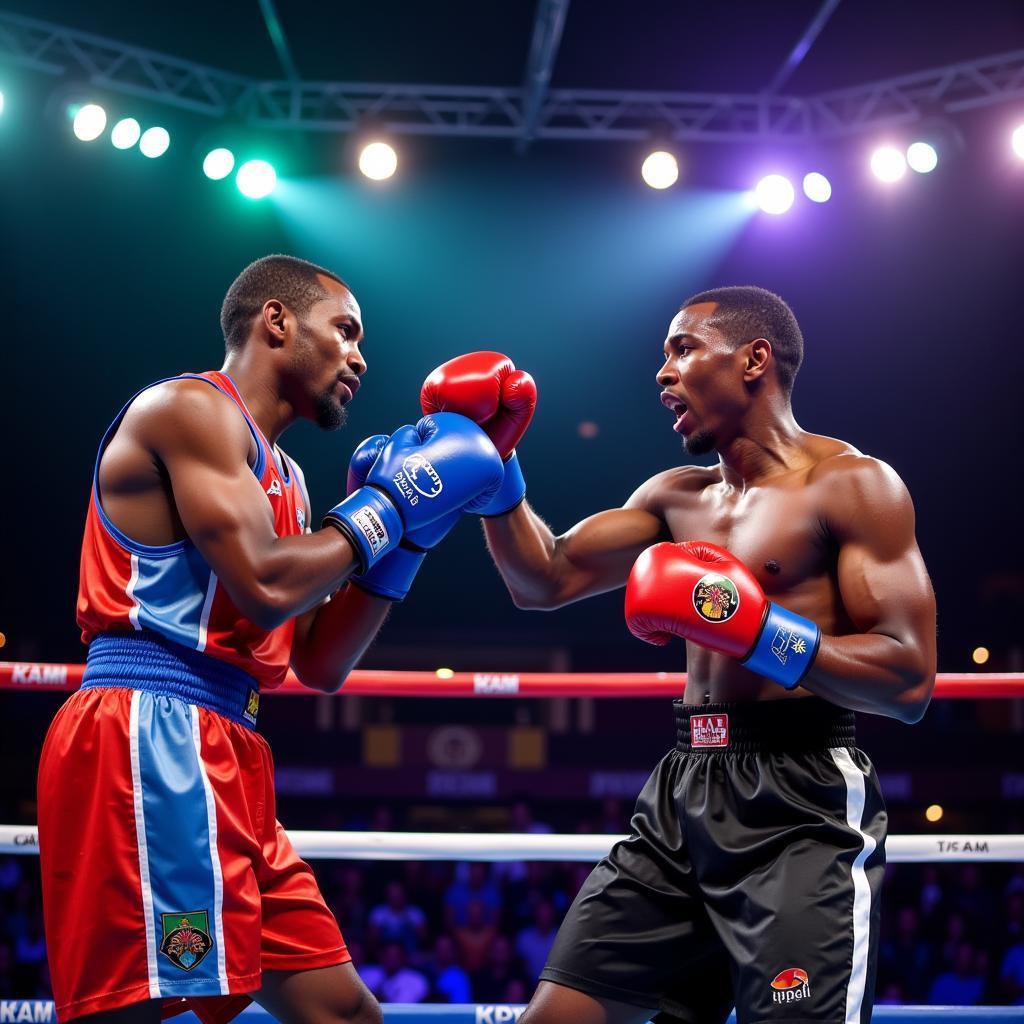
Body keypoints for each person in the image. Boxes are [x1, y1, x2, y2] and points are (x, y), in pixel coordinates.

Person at [420, 287, 937, 1024]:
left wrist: (761, 632)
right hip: (682, 795)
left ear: (754, 359)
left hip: (801, 804)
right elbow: (545, 578)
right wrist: (498, 466)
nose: (663, 373)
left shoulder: (852, 486)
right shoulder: (674, 498)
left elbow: (909, 678)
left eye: (683, 348)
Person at [37, 254, 504, 1024]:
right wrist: (390, 503)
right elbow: (267, 579)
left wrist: (413, 534)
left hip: (230, 745)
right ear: (277, 322)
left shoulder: (286, 476)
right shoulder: (188, 410)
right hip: (150, 728)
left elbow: (319, 660)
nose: (361, 357)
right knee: (137, 1010)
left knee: (342, 1011)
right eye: (345, 332)